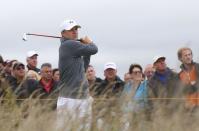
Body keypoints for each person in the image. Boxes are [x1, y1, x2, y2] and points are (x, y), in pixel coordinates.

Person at [56, 19, 98, 127]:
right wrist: (90, 42)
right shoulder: (69, 45)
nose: (75, 31)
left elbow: (83, 69)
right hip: (70, 100)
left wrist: (86, 53)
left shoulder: (74, 48)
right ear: (63, 33)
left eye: (76, 29)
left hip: (82, 98)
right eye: (71, 30)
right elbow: (94, 49)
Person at [121, 64, 148, 130]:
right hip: (128, 117)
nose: (138, 74)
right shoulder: (127, 86)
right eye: (135, 72)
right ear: (131, 75)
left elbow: (146, 103)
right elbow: (122, 102)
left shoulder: (146, 86)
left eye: (139, 72)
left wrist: (134, 108)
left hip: (141, 116)